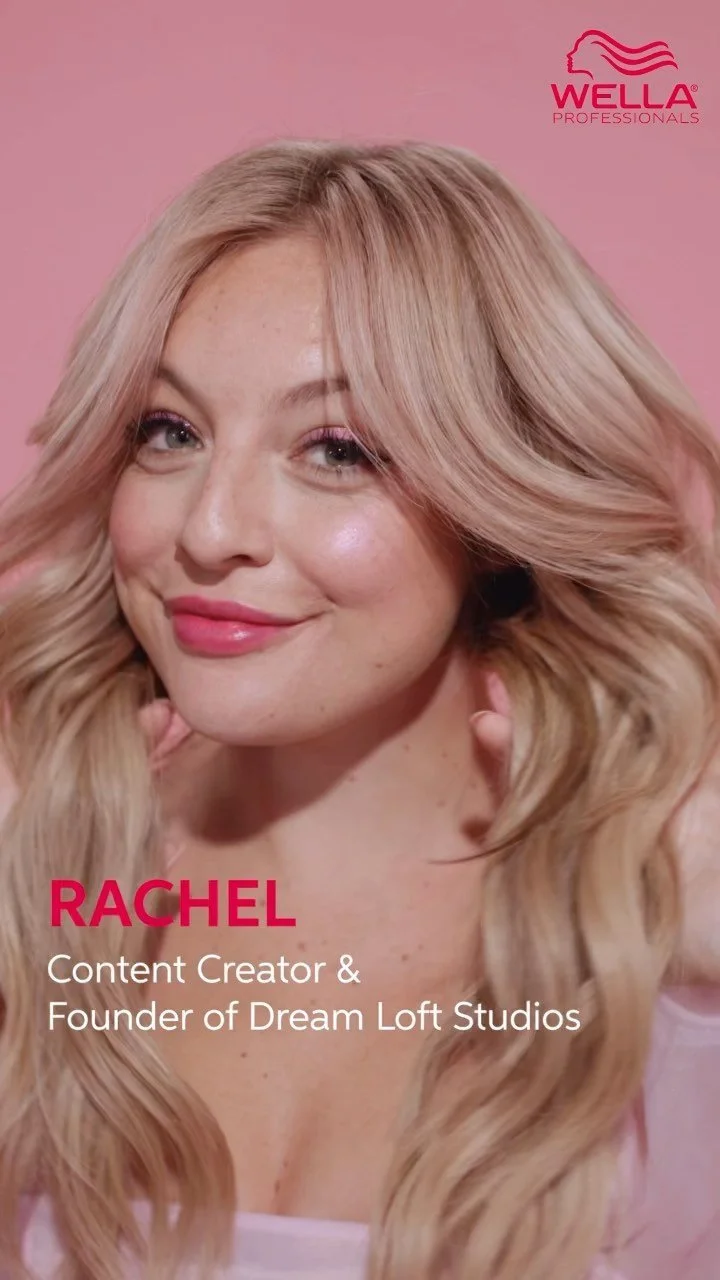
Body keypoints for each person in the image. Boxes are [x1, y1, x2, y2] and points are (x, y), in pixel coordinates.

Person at [0, 138, 718, 1280]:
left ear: (498, 504)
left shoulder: (674, 939)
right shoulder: (34, 869)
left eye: (335, 449)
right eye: (169, 431)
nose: (210, 529)